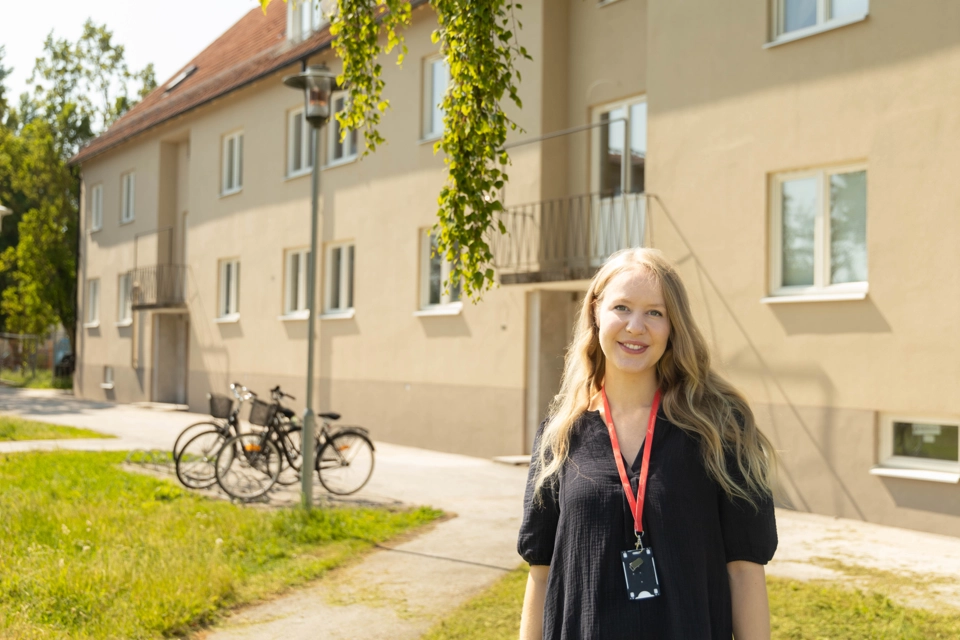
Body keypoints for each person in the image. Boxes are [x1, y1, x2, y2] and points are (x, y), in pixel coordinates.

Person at [518, 248, 778, 640]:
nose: (636, 327)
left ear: (674, 325)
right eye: (621, 307)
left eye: (655, 312)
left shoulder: (721, 428)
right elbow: (540, 573)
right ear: (595, 312)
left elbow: (744, 570)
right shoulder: (558, 436)